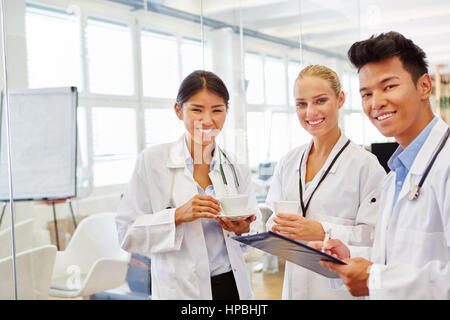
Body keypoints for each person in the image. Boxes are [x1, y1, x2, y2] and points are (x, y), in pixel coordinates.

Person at [316, 31, 450, 299]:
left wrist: (375, 280)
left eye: (389, 86)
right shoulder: (396, 173)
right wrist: (351, 255)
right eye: (366, 94)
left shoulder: (445, 164)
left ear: (424, 86)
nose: (376, 103)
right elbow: (399, 254)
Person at [116, 70, 261, 300]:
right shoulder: (152, 161)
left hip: (231, 286)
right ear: (178, 110)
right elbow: (127, 234)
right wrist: (177, 215)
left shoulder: (235, 165)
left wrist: (243, 229)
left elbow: (254, 229)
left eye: (217, 110)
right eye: (196, 110)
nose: (207, 120)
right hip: (181, 290)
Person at [265, 65, 386, 299]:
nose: (310, 112)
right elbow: (273, 219)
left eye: (320, 101)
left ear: (340, 99)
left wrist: (322, 231)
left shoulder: (366, 165)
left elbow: (376, 236)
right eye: (301, 104)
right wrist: (275, 229)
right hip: (294, 287)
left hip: (339, 290)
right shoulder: (288, 162)